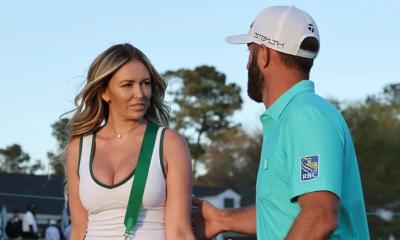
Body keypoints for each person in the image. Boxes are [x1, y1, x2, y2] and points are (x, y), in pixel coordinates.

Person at [192, 5, 370, 239]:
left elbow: (320, 216)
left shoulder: (305, 116)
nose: (247, 64)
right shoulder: (291, 117)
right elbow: (284, 213)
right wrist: (222, 219)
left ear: (263, 55)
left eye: (250, 52)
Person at [65, 43, 194, 240]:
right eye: (128, 85)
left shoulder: (169, 143)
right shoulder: (78, 149)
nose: (140, 94)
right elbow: (78, 231)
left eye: (146, 83)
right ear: (104, 92)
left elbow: (180, 232)